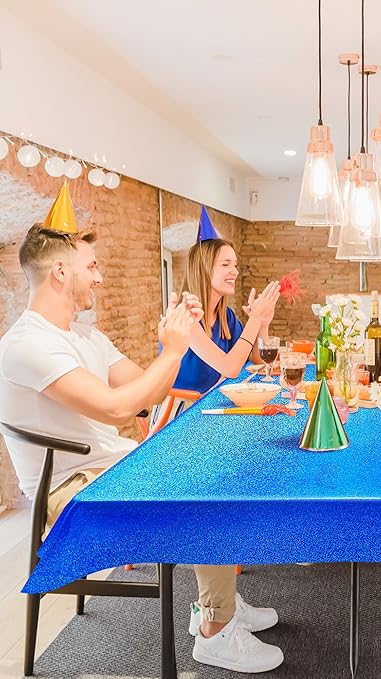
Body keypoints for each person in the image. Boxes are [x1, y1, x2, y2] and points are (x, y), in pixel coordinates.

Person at [0, 201, 284, 673]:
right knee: (206, 489)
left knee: (223, 467)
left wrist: (175, 348)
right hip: (74, 490)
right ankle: (215, 630)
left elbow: (146, 390)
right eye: (92, 267)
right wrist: (173, 349)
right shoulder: (29, 343)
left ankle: (217, 604)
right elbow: (117, 406)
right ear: (59, 273)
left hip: (114, 465)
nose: (99, 278)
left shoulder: (85, 336)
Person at [174, 234, 280, 394]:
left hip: (212, 396)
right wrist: (255, 318)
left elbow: (259, 360)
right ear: (203, 270)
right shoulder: (185, 317)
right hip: (184, 405)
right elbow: (231, 369)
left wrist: (262, 324)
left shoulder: (226, 316)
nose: (235, 272)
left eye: (235, 265)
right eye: (225, 264)